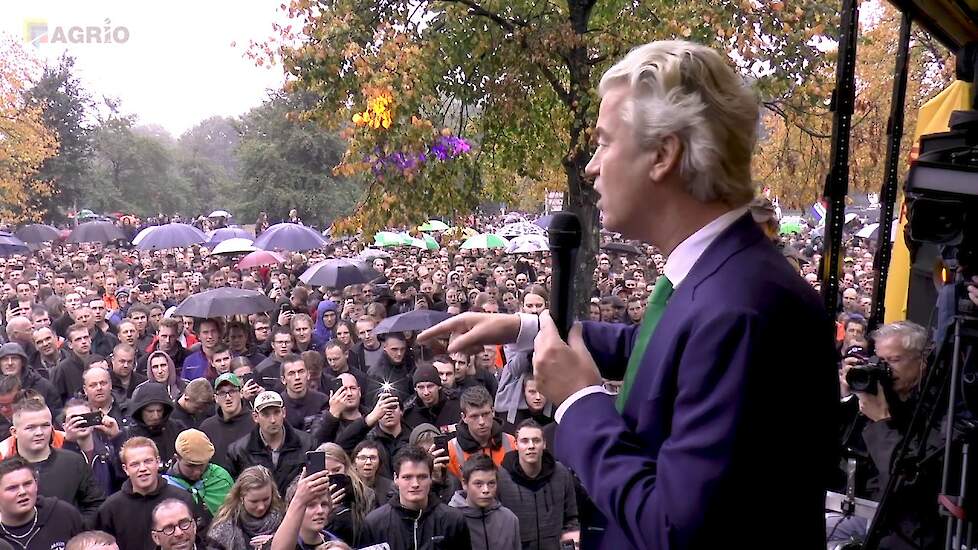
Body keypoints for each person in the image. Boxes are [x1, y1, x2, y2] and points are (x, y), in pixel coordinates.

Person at [420, 41, 838, 548]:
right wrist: (527, 327)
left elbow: (674, 529)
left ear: (663, 155)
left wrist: (578, 400)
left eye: (603, 143)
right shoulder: (721, 277)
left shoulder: (739, 310)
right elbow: (658, 348)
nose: (591, 167)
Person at [7, 394, 105, 521]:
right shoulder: (5, 473)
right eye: (31, 428)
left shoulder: (74, 463)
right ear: (14, 432)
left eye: (45, 425)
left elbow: (95, 504)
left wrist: (77, 530)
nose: (39, 433)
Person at [95, 438, 198, 550]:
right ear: (125, 469)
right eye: (135, 464)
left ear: (158, 462)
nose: (143, 468)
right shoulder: (110, 509)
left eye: (148, 461)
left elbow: (198, 540)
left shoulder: (182, 499)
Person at [360, 445, 471, 549]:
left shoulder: (452, 520)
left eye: (422, 477)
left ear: (430, 478)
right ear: (396, 478)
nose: (415, 484)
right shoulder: (374, 523)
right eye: (407, 477)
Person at [496, 420, 579, 550]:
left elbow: (571, 517)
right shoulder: (500, 477)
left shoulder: (561, 473)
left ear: (544, 444)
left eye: (536, 440)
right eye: (525, 441)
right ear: (516, 444)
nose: (531, 446)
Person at [227, 391, 313, 495]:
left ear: (284, 412)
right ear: (255, 417)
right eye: (266, 414)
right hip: (259, 509)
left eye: (276, 412)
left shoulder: (307, 444)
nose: (272, 420)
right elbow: (234, 494)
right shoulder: (238, 451)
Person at [0, 456, 84, 550]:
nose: (23, 492)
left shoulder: (63, 513)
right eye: (12, 488)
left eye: (27, 484)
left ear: (36, 484)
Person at [448, 454, 521, 550]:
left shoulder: (509, 519)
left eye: (491, 483)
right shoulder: (450, 520)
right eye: (478, 484)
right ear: (465, 484)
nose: (486, 490)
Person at [205, 466, 285, 550]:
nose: (261, 507)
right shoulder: (222, 530)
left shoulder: (285, 520)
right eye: (254, 501)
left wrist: (276, 542)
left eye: (266, 499)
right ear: (241, 498)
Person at [163, 429, 234, 521]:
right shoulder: (166, 486)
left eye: (202, 465)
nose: (197, 472)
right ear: (177, 458)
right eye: (190, 466)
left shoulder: (221, 479)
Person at [447, 386, 516, 480]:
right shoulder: (452, 449)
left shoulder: (511, 443)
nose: (481, 422)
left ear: (493, 412)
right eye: (474, 416)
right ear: (464, 417)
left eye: (486, 414)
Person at [61, 398, 125, 497]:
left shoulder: (107, 453)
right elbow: (66, 486)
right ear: (64, 426)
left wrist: (116, 438)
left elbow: (124, 479)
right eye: (74, 419)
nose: (81, 422)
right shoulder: (60, 456)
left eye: (86, 417)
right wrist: (69, 444)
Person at [269, 469, 345, 550]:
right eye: (311, 505)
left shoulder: (336, 544)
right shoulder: (275, 542)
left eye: (324, 504)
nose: (320, 511)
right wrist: (299, 499)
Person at [200, 374, 256, 472]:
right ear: (216, 398)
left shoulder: (256, 421)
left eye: (232, 391)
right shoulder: (207, 427)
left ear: (241, 393)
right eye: (222, 393)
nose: (228, 398)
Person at [126, 382, 187, 460]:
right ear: (140, 411)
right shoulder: (129, 435)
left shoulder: (178, 429)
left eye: (159, 411)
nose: (156, 416)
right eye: (150, 411)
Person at [0, 343, 60, 414]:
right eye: (5, 359)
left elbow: (56, 416)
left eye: (14, 358)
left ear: (22, 362)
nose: (10, 363)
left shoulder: (44, 386)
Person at [401, 363, 461, 432]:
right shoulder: (408, 414)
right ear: (415, 389)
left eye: (430, 386)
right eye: (421, 387)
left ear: (439, 386)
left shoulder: (456, 406)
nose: (426, 392)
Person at [279, 355, 327, 433]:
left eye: (301, 372)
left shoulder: (322, 401)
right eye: (291, 373)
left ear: (308, 375)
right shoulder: (278, 406)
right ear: (283, 380)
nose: (297, 377)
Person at [52, 323, 93, 403]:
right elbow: (57, 401)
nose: (84, 341)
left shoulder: (100, 362)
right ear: (70, 345)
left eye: (86, 337)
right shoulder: (62, 369)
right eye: (78, 339)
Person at [352, 440, 394, 509]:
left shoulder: (390, 488)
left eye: (373, 458)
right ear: (354, 463)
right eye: (363, 458)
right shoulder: (348, 487)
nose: (368, 462)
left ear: (379, 462)